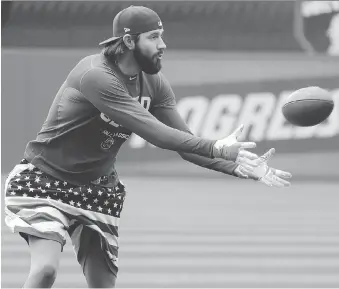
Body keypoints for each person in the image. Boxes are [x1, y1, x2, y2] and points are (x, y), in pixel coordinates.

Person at [4, 5, 292, 288]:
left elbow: (184, 144)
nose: (163, 44)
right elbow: (155, 133)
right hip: (45, 180)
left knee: (103, 285)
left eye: (161, 35)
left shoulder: (154, 83)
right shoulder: (95, 75)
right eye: (153, 37)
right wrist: (218, 147)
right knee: (45, 271)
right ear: (129, 41)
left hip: (97, 190)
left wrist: (238, 167)